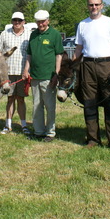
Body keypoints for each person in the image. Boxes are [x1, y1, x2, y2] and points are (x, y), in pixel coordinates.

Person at [73, 0, 110, 151]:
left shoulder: (109, 22)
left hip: (106, 65)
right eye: (91, 5)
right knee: (89, 103)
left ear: (102, 5)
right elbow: (79, 49)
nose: (94, 7)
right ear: (87, 6)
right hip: (87, 65)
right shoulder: (82, 24)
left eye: (97, 4)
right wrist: (70, 65)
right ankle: (93, 139)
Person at [22, 10, 64, 142]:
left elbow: (59, 55)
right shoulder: (33, 35)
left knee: (49, 106)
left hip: (48, 76)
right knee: (36, 105)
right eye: (38, 21)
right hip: (34, 76)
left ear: (48, 21)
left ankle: (50, 133)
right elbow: (29, 55)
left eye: (43, 21)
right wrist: (26, 70)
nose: (41, 24)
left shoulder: (55, 34)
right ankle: (39, 131)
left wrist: (57, 73)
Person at [0, 12, 32, 135]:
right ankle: (8, 125)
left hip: (23, 73)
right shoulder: (5, 34)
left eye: (19, 20)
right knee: (10, 99)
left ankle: (24, 125)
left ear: (24, 21)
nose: (17, 22)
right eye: (14, 20)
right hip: (8, 74)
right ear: (12, 21)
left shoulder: (29, 34)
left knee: (21, 99)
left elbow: (31, 53)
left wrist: (27, 71)